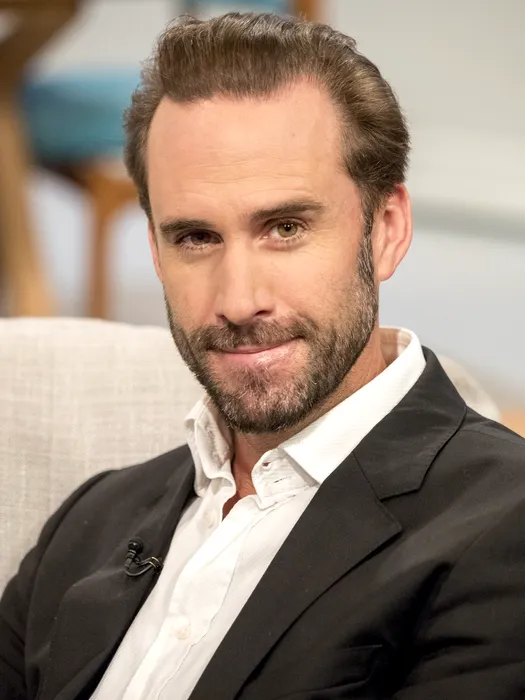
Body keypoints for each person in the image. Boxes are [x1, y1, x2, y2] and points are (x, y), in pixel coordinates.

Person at [2, 11, 525, 700]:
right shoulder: (86, 523)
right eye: (195, 238)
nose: (239, 300)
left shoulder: (503, 522)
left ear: (386, 230)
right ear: (155, 252)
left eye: (284, 228)